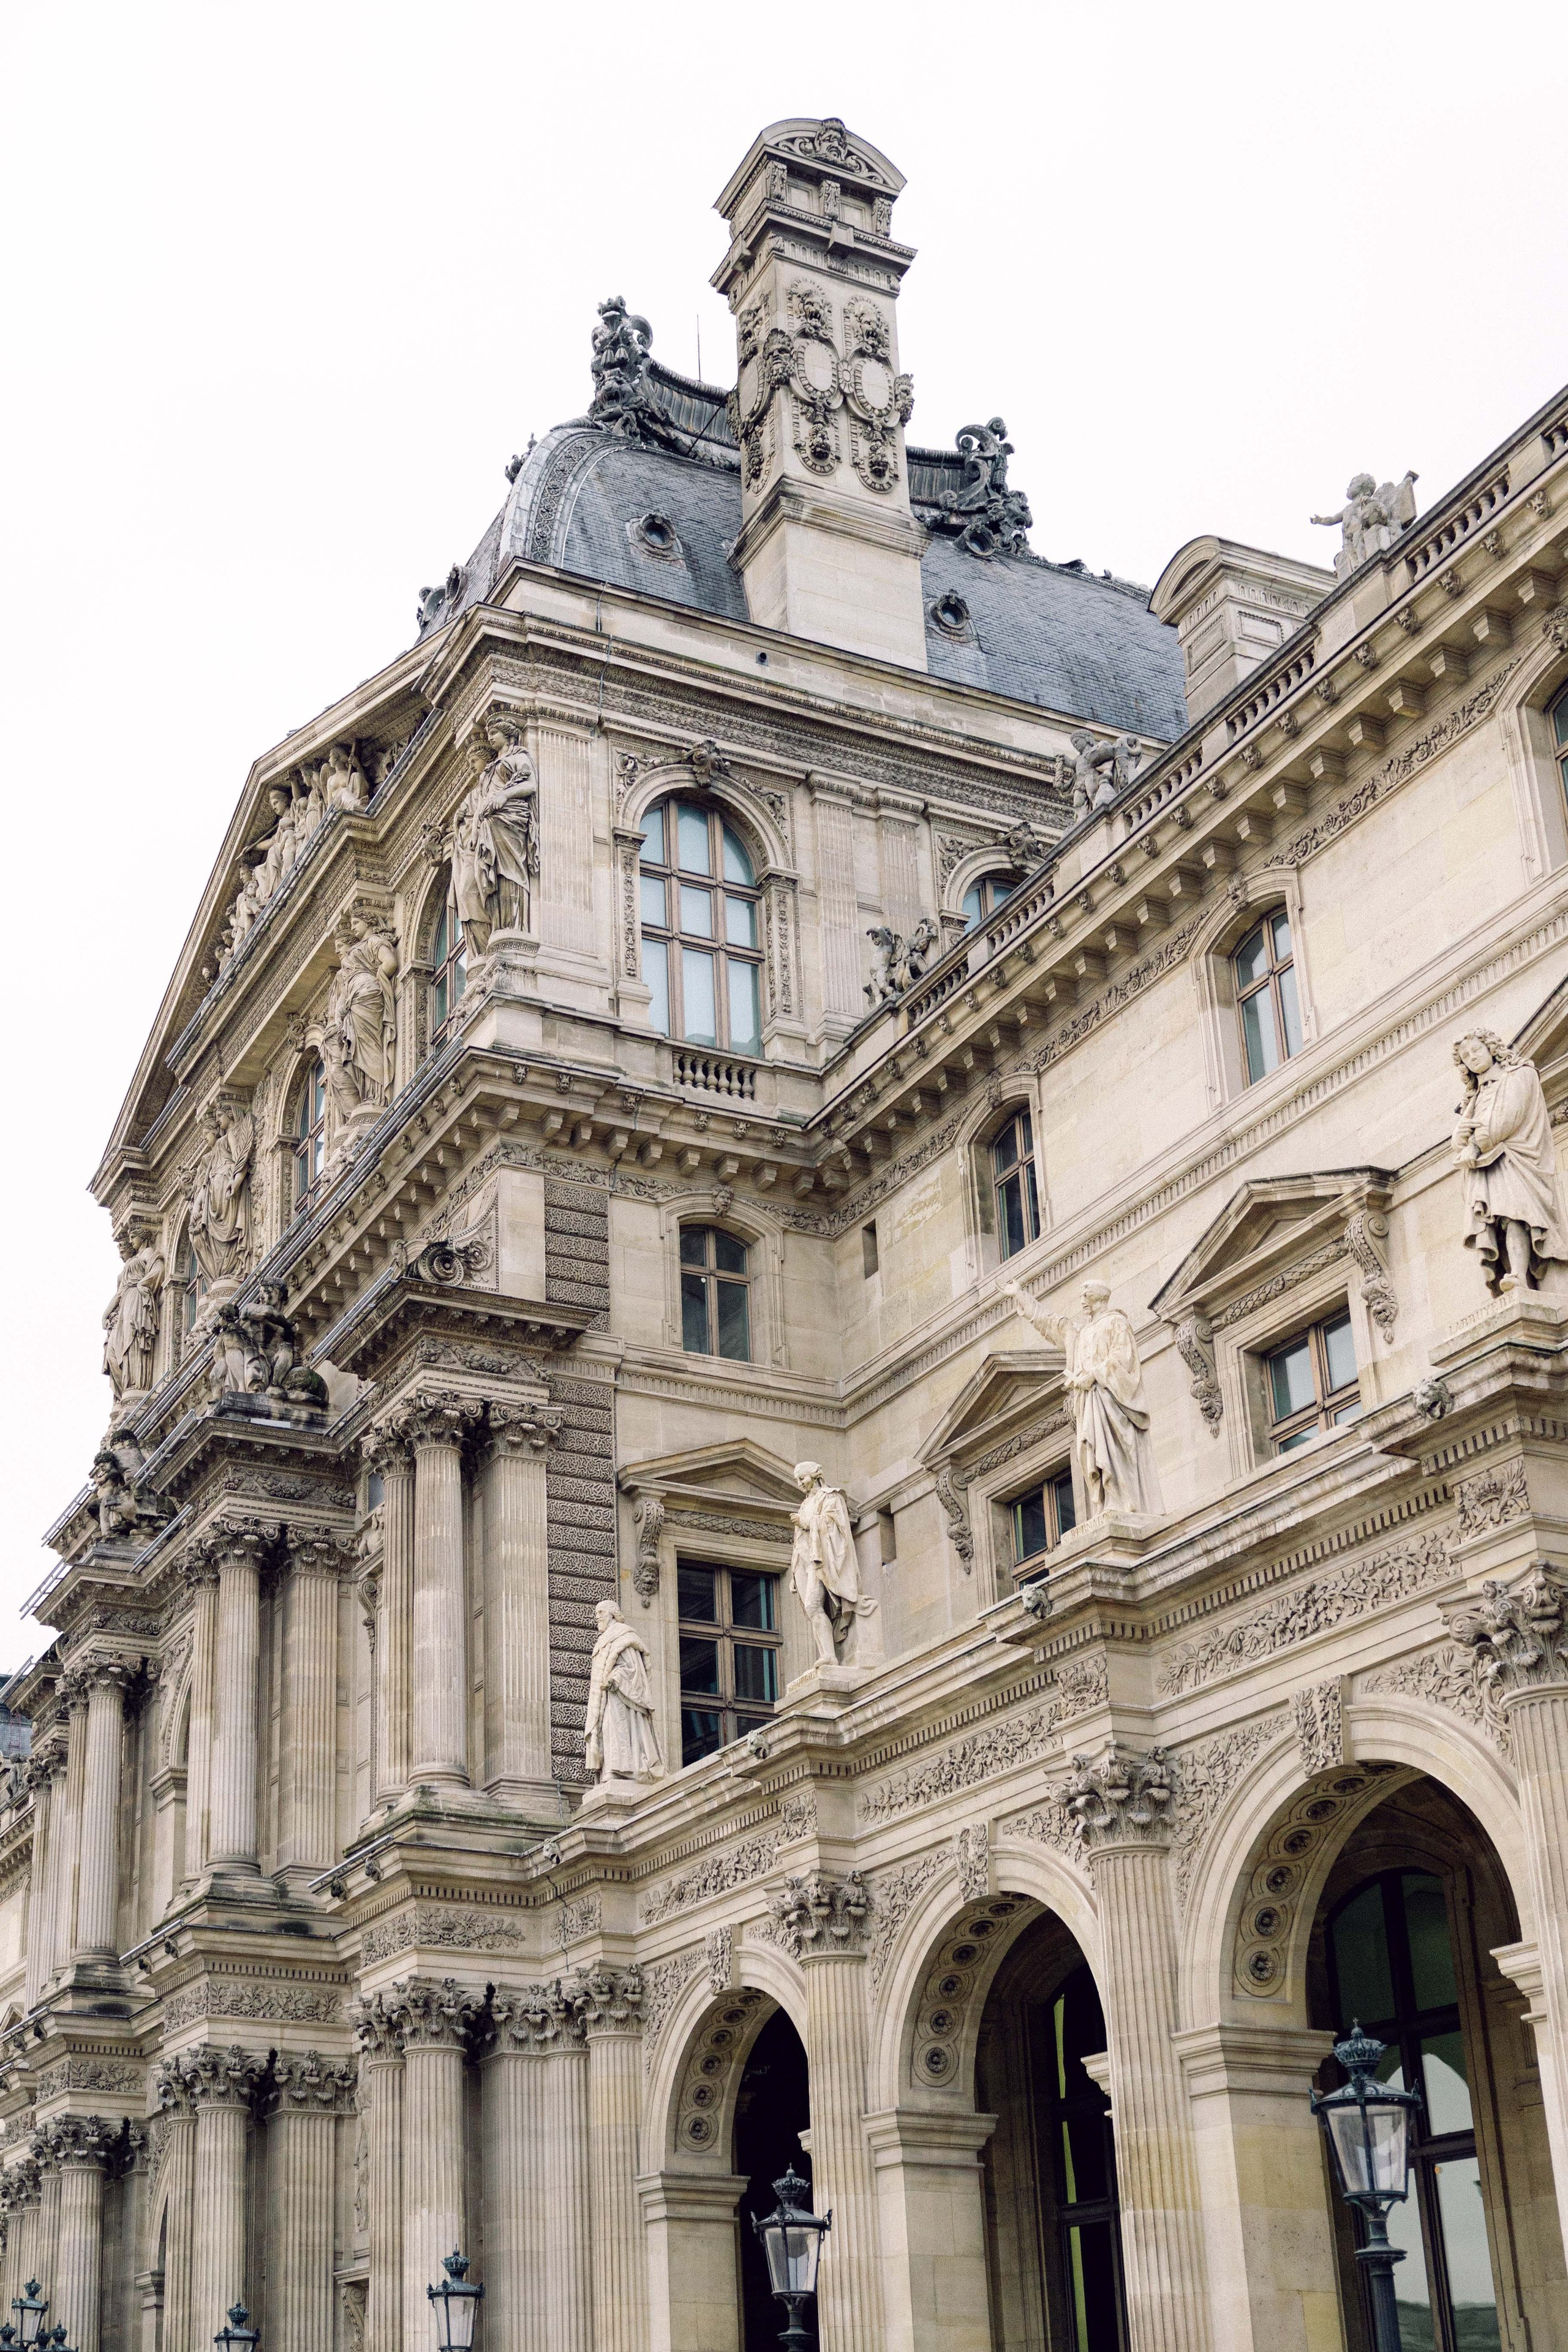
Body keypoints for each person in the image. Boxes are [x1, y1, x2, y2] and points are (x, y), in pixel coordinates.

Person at [1002, 1277, 1163, 1519]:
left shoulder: (1116, 1323)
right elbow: (1051, 1324)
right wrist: (1021, 1296)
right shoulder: (1081, 1333)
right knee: (1090, 1453)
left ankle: (1122, 1502)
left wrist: (1094, 1376)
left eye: (1085, 1298)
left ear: (1099, 1298)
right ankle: (1109, 1502)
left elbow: (1123, 1359)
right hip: (1089, 1403)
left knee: (1115, 1453)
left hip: (1111, 1402)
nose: (1082, 1304)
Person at [1452, 1030, 1568, 1294]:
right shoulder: (1474, 1096)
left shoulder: (1519, 1075)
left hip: (1515, 1159)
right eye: (1466, 1057)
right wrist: (1459, 1140)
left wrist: (1474, 1146)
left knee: (1516, 1215)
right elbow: (1462, 1134)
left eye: (1476, 1051)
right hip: (1485, 1167)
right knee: (1495, 1224)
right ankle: (1512, 1280)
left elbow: (1507, 1119)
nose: (1473, 1058)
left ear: (1491, 1049)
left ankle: (1518, 1274)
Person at [790, 1461, 871, 1665]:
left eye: (803, 1478)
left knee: (813, 1605)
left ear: (815, 1476)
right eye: (797, 1480)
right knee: (811, 1609)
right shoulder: (805, 1503)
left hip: (820, 1561)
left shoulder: (831, 1497)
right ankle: (826, 1654)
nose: (799, 1483)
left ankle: (829, 1656)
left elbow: (838, 1525)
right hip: (804, 1561)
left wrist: (807, 1523)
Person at [584, 1599, 663, 1783]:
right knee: (610, 1730)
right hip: (607, 1696)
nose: (597, 1617)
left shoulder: (624, 1636)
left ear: (612, 1614)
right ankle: (611, 1769)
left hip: (622, 1696)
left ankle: (621, 1769)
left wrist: (615, 1679)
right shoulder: (605, 1640)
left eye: (601, 1613)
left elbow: (633, 1669)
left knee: (618, 1729)